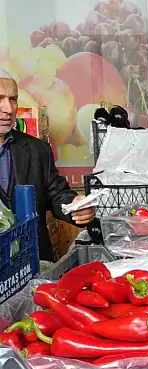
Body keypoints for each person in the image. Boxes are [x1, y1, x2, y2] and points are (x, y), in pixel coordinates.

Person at [0, 68, 95, 261]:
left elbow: (56, 193)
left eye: (13, 99)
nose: (8, 109)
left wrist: (75, 206)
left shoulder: (37, 149)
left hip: (32, 262)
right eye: (0, 99)